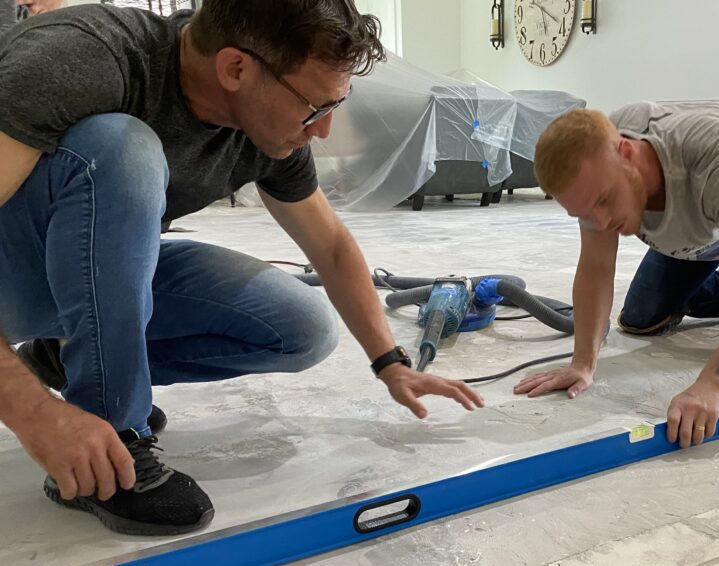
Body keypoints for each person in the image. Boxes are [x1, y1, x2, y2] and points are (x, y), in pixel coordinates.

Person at [0, 0, 483, 536]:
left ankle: (69, 360)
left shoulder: (265, 129)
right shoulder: (84, 58)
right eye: (313, 108)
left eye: (334, 105)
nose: (323, 131)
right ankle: (111, 439)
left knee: (301, 327)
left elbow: (331, 248)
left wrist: (390, 363)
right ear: (235, 68)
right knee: (122, 147)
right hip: (13, 277)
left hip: (81, 272)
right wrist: (35, 414)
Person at [514, 103, 719, 449]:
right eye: (585, 213)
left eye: (606, 201)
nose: (602, 222)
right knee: (641, 318)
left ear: (628, 153)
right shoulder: (595, 167)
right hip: (709, 217)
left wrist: (712, 387)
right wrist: (582, 363)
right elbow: (596, 266)